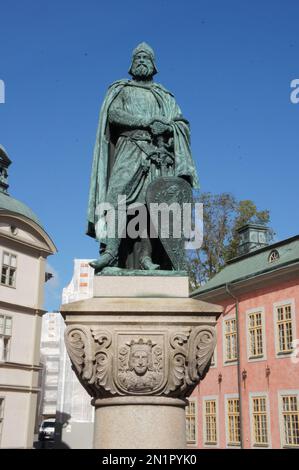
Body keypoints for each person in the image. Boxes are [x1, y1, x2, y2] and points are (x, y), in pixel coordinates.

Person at [87, 42, 199, 271]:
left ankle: (147, 258)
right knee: (115, 198)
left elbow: (182, 124)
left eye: (145, 58)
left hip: (158, 155)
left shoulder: (164, 96)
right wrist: (146, 122)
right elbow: (114, 115)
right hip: (129, 148)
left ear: (153, 64)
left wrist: (168, 129)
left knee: (150, 208)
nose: (141, 61)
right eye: (137, 57)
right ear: (131, 63)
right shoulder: (121, 89)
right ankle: (111, 253)